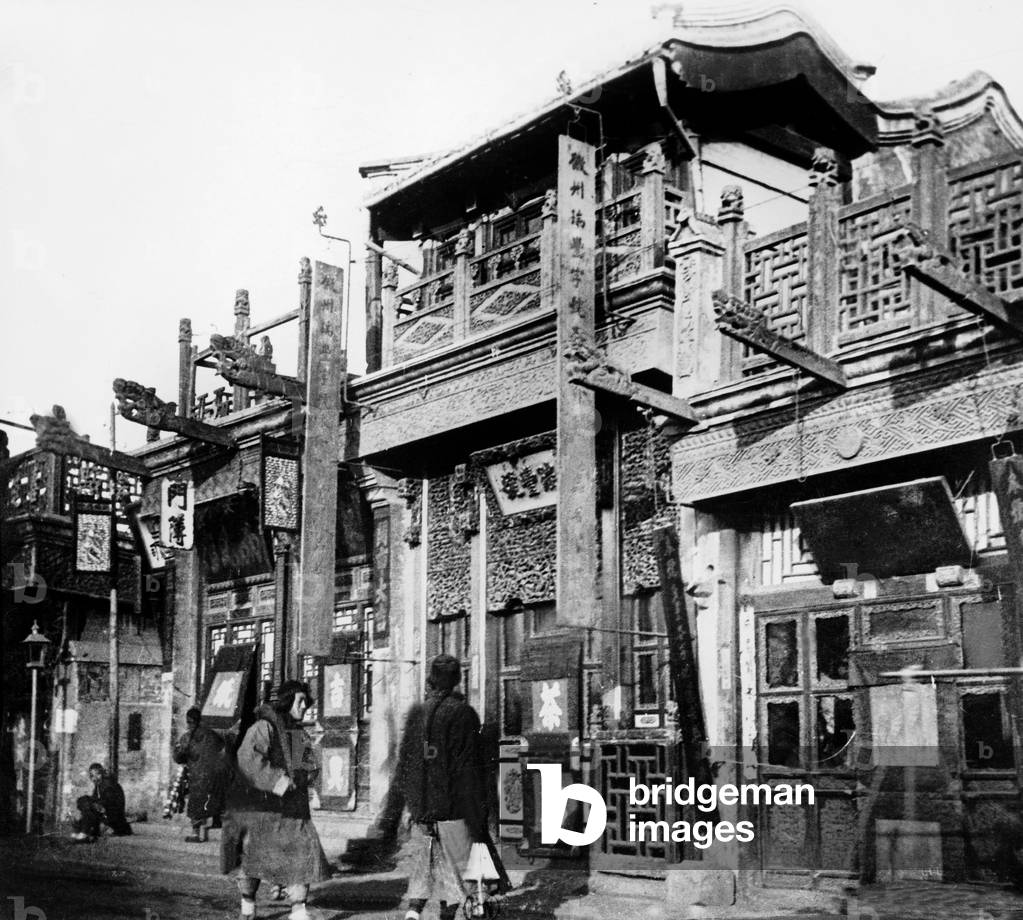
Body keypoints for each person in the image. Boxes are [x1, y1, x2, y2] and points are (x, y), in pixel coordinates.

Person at [221, 680, 330, 920]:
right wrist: (279, 781)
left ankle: (299, 910)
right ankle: (248, 907)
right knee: (253, 859)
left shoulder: (297, 732)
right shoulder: (263, 727)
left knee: (302, 852)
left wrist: (309, 773)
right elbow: (248, 760)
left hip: (293, 809)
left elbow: (306, 766)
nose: (305, 707)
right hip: (262, 807)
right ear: (287, 700)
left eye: (306, 702)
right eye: (300, 701)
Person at [394, 654, 489, 920]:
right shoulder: (464, 714)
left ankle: (414, 911)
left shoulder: (417, 713)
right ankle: (453, 914)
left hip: (422, 808)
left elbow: (406, 764)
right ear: (457, 679)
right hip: (453, 808)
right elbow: (467, 768)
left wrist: (410, 806)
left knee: (426, 862)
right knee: (459, 868)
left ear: (431, 680)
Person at [173, 706, 227, 842]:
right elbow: (223, 748)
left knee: (196, 805)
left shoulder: (187, 738)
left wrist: (181, 751)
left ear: (189, 720)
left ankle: (196, 833)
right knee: (214, 802)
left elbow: (178, 758)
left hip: (198, 777)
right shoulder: (212, 735)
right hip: (216, 776)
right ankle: (217, 828)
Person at [71, 763, 133, 840]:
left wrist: (94, 806)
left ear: (103, 774)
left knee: (86, 802)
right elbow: (95, 801)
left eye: (98, 774)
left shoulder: (109, 786)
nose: (95, 778)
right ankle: (87, 830)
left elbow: (107, 806)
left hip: (115, 821)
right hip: (106, 816)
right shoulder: (99, 785)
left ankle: (86, 831)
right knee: (83, 801)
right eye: (92, 776)